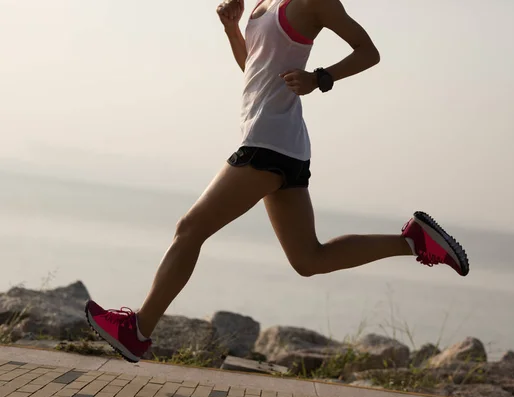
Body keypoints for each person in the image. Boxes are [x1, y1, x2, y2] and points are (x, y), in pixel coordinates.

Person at [85, 0, 470, 363]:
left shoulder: (310, 3)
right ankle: (414, 241)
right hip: (281, 142)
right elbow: (254, 69)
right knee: (308, 259)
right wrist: (232, 29)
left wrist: (320, 77)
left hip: (269, 142)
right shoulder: (262, 4)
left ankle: (138, 329)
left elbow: (368, 51)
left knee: (190, 228)